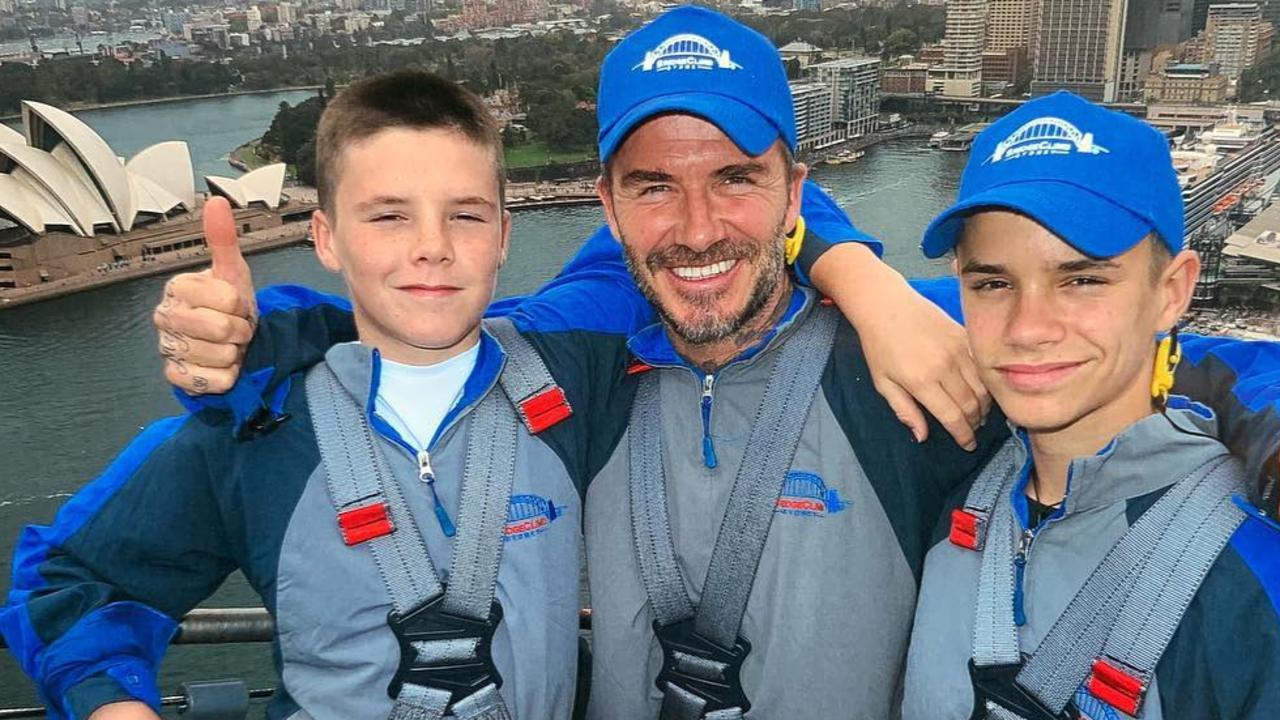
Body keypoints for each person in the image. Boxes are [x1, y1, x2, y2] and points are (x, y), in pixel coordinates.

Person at [149, 7, 1280, 718]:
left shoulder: (927, 349)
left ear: (794, 190)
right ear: (606, 205)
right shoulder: (575, 366)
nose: (694, 228)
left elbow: (1133, 365)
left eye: (737, 178)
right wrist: (270, 336)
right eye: (652, 185)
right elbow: (419, 323)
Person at [0, 71, 597, 720]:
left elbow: (665, 248)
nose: (433, 247)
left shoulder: (571, 380)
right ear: (326, 238)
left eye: (466, 215)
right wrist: (113, 706)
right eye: (389, 216)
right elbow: (68, 584)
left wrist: (285, 325)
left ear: (504, 237)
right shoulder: (254, 430)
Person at [901, 92, 1280, 720]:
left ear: (1172, 292)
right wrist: (845, 267)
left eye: (1082, 280)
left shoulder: (1252, 579)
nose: (1028, 326)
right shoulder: (951, 484)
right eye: (994, 283)